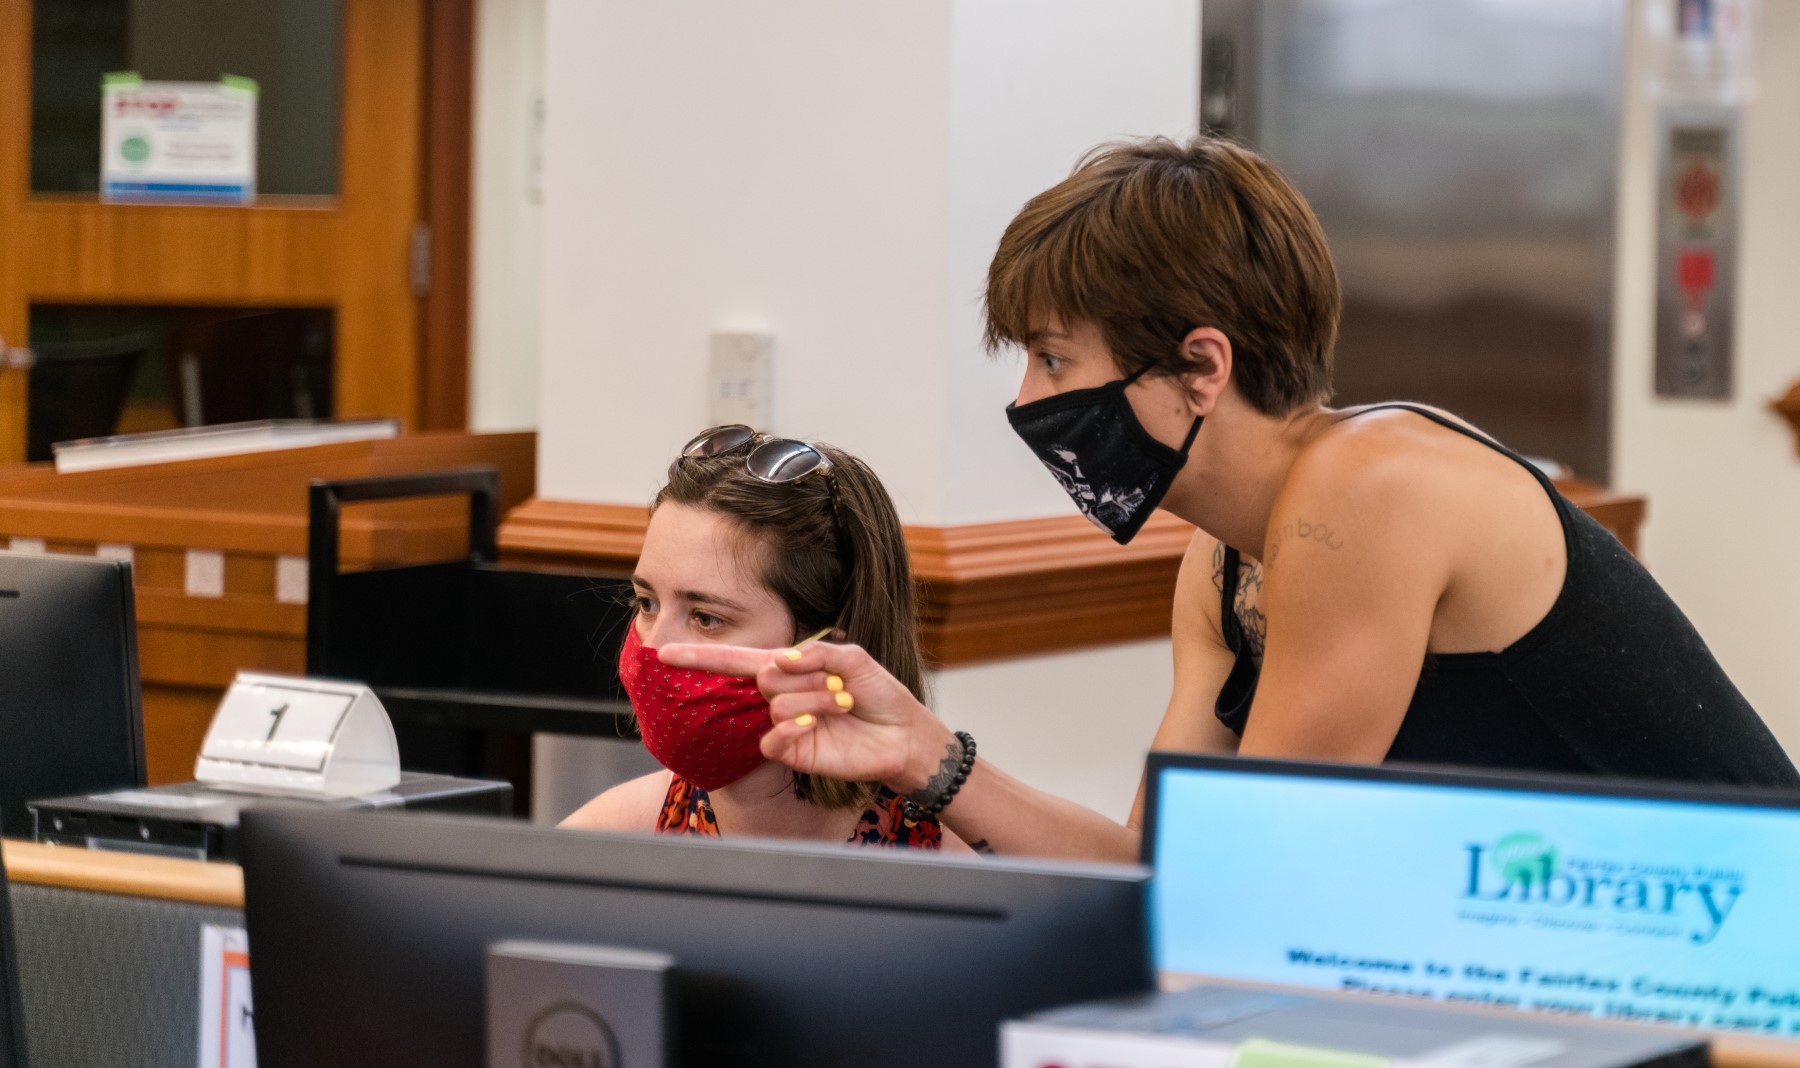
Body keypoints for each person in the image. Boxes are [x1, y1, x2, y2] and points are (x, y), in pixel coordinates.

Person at [656, 135, 1799, 863]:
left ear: (1202, 368)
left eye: (1055, 361)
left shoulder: (1371, 487)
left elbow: (1241, 878)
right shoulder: (1223, 562)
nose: (1029, 398)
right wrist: (926, 755)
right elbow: (1153, 871)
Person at [561, 426, 965, 852]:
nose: (655, 648)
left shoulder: (957, 862)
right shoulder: (610, 838)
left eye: (706, 617)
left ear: (827, 643)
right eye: (647, 603)